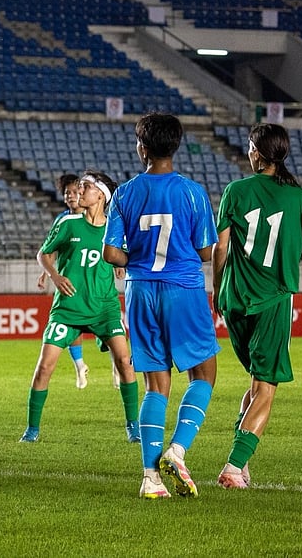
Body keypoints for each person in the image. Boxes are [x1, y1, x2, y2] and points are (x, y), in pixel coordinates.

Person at [103, 113, 219, 499]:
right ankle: (178, 449)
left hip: (140, 290)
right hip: (183, 288)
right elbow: (206, 250)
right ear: (176, 146)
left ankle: (150, 478)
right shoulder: (193, 192)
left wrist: (136, 255)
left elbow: (111, 254)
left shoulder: (124, 193)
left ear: (142, 147)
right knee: (204, 373)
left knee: (156, 383)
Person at [212, 123, 302, 489]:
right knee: (266, 386)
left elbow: (220, 248)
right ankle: (233, 467)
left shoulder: (235, 191)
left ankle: (241, 464)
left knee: (255, 380)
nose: (249, 153)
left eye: (249, 148)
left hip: (234, 299)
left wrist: (217, 289)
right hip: (272, 299)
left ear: (258, 153)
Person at [21, 171, 140, 444]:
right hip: (69, 307)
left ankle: (132, 425)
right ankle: (32, 430)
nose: (80, 191)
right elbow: (43, 253)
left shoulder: (114, 227)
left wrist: (120, 264)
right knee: (44, 367)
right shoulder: (69, 224)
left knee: (125, 361)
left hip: (104, 306)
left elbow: (123, 255)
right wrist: (54, 275)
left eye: (86, 187)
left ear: (101, 195)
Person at [36, 173, 90, 389]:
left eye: (75, 192)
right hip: (70, 279)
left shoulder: (92, 216)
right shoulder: (62, 220)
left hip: (92, 279)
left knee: (105, 327)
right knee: (71, 325)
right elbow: (51, 248)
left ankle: (118, 365)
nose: (71, 196)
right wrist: (46, 272)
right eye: (67, 192)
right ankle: (80, 366)